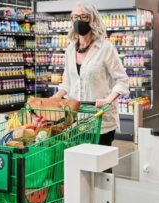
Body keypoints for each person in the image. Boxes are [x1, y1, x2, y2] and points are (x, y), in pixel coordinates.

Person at [52, 2, 130, 146]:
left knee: (100, 166)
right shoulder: (70, 49)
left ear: (92, 19)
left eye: (83, 16)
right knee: (78, 164)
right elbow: (67, 82)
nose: (78, 21)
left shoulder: (105, 48)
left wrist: (108, 100)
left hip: (100, 120)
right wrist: (56, 97)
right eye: (75, 17)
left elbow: (122, 81)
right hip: (75, 120)